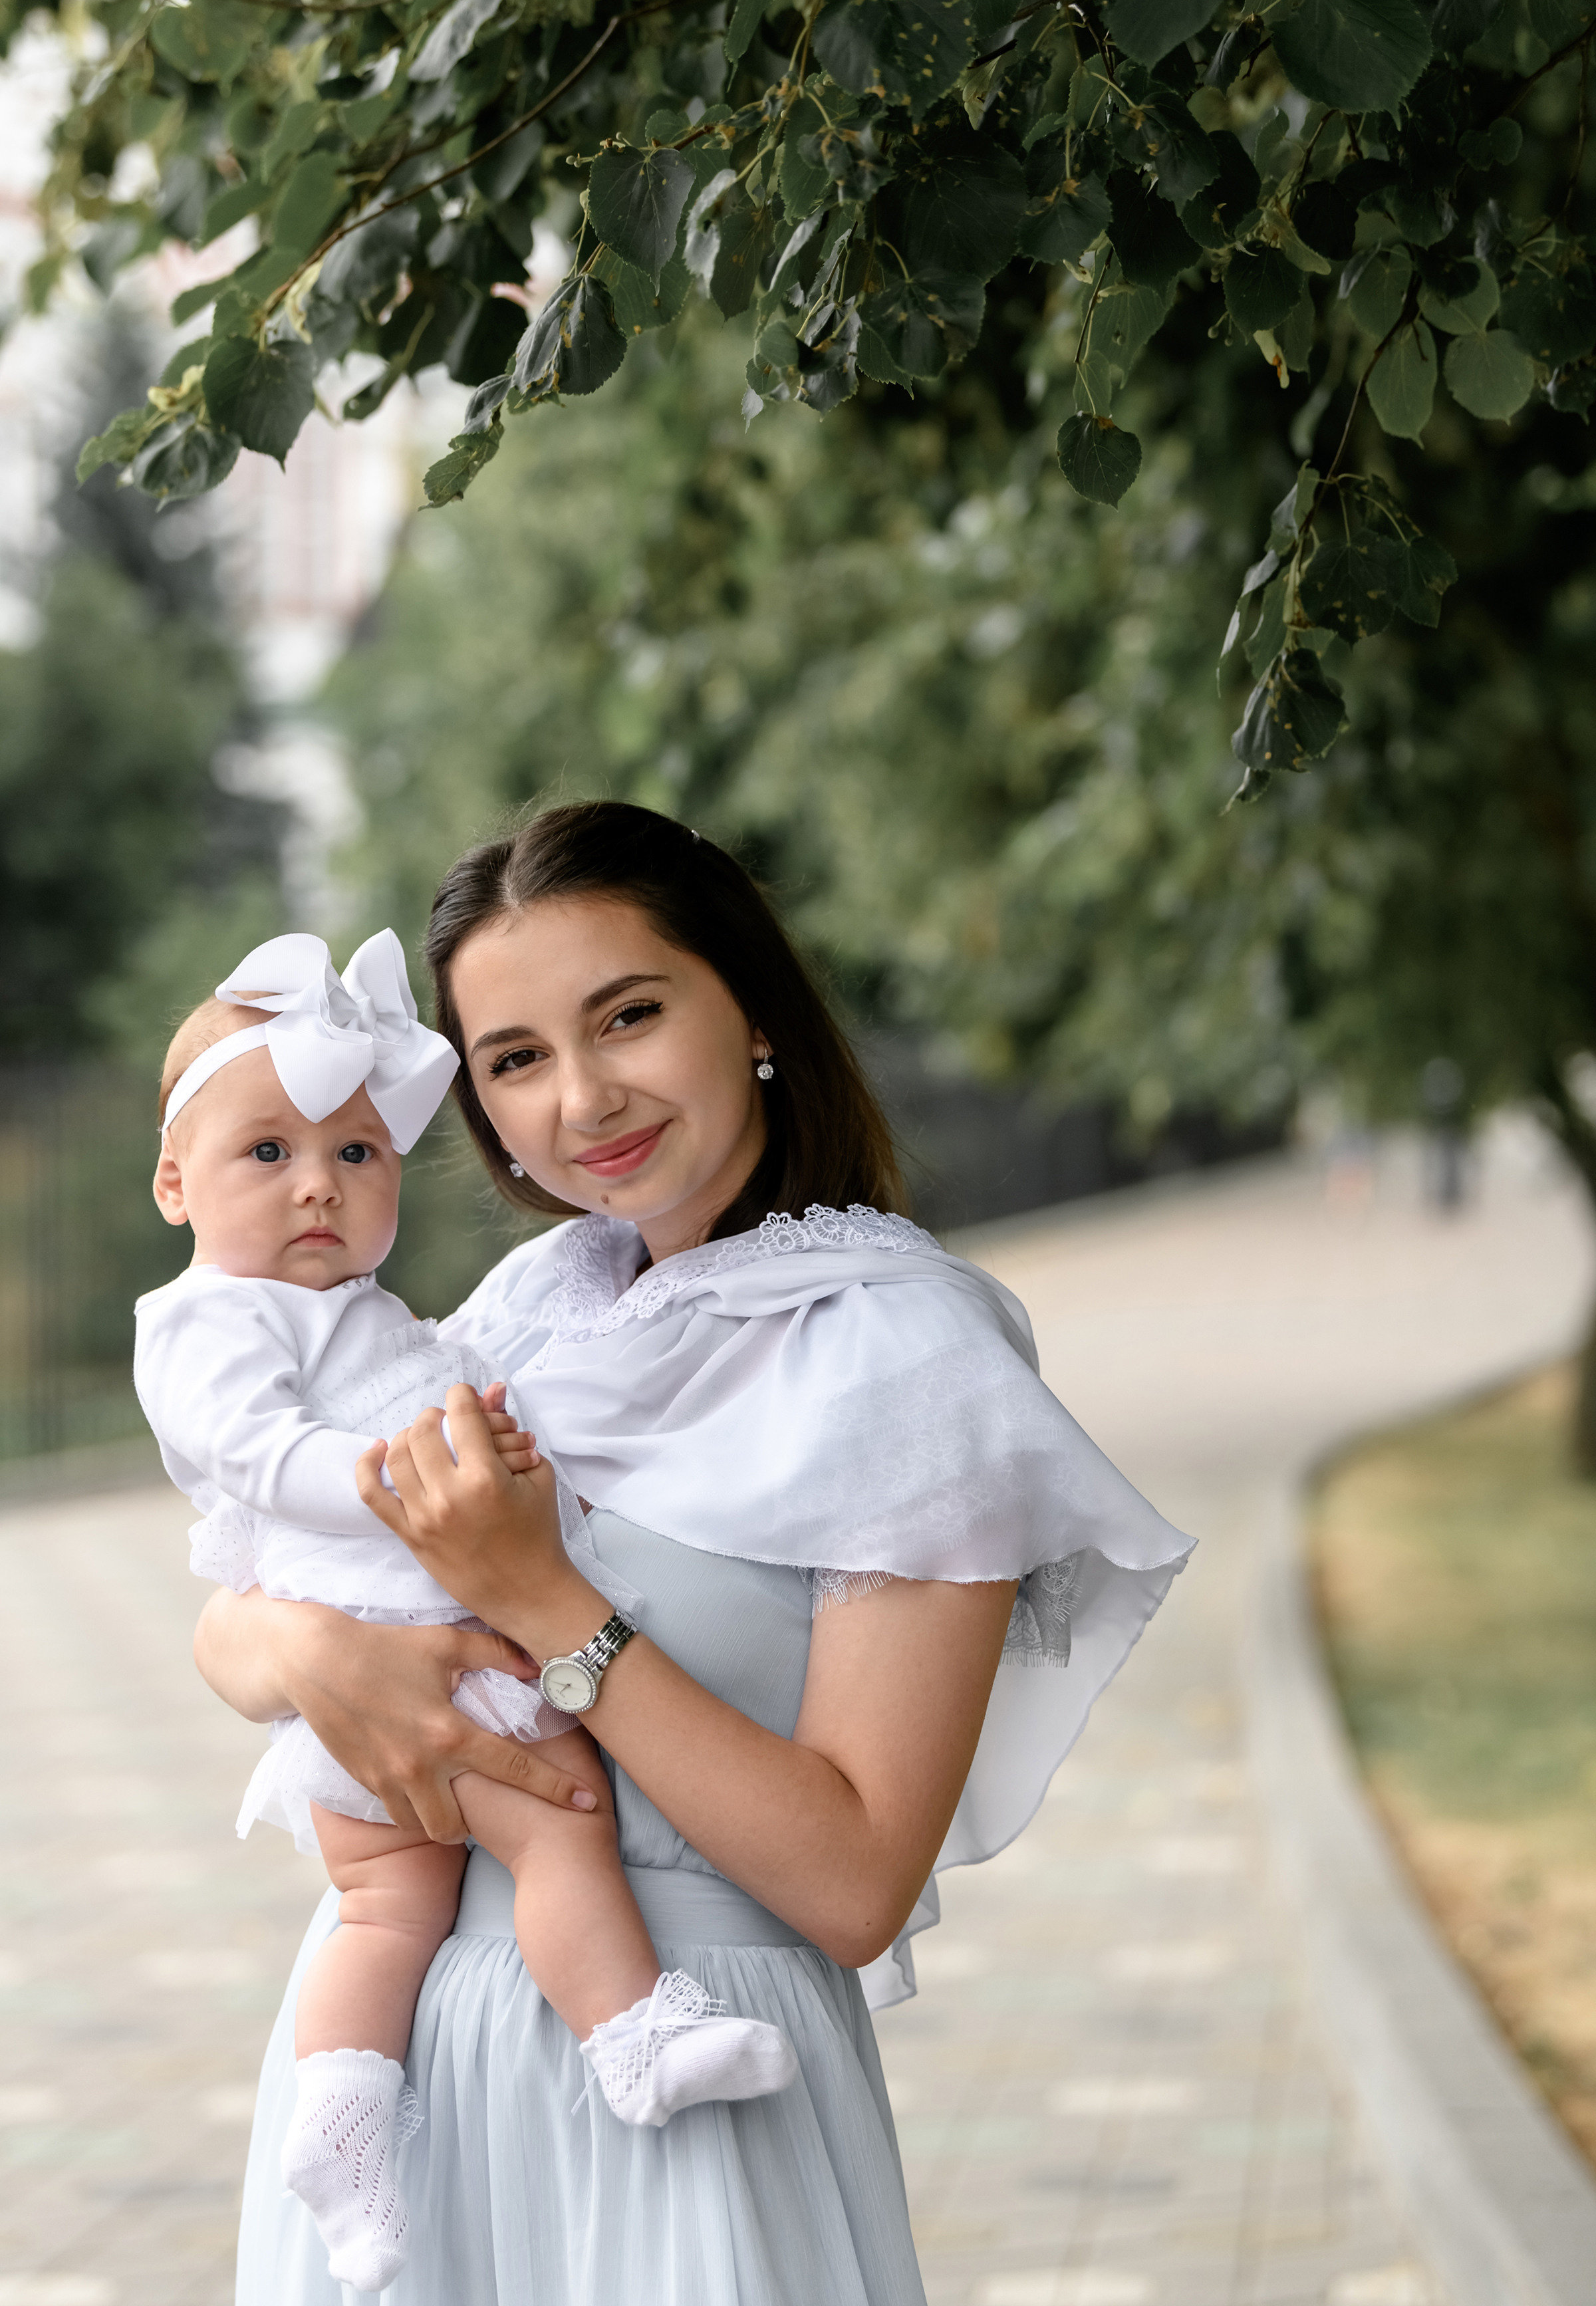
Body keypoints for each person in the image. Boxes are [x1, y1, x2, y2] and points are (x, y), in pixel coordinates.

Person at [195, 803, 1196, 2305]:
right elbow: (243, 1604)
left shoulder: (902, 1362)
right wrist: (310, 1652)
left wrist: (543, 1600)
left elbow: (856, 1881)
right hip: (403, 2082)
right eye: (516, 1060)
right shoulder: (525, 1317)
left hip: (683, 2100)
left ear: (755, 1013)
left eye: (631, 1015)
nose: (584, 1098)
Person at [138, 926, 794, 2293]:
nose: (319, 1187)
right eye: (270, 1154)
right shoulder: (207, 1321)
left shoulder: (384, 1316)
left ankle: (350, 2119)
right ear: (173, 1183)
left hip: (407, 1657)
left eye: (358, 1154)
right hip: (406, 1661)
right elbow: (254, 1470)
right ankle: (629, 2031)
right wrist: (402, 1490)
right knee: (551, 1826)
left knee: (391, 1914)